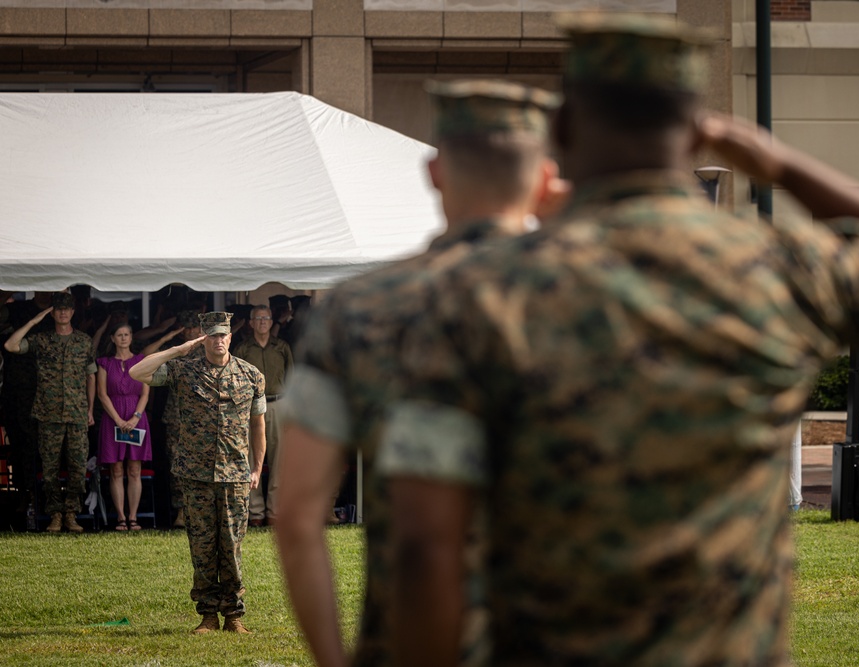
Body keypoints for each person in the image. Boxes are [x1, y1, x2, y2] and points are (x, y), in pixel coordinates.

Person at [374, 12, 859, 667]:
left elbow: (424, 546)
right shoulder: (783, 270)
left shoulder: (472, 291)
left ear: (564, 129)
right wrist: (778, 165)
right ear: (697, 134)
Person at [276, 79, 563, 667]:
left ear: (433, 173)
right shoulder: (600, 299)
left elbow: (297, 515)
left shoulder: (358, 308)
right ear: (543, 183)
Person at [130, 311, 265, 635]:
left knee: (231, 547)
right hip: (195, 475)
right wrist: (179, 349)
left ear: (231, 337)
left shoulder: (250, 375)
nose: (219, 341)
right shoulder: (183, 371)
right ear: (203, 338)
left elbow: (258, 425)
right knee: (202, 548)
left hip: (234, 475)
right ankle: (207, 615)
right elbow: (138, 371)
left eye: (223, 335)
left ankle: (233, 615)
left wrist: (257, 468)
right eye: (212, 335)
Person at [4, 291, 96, 533]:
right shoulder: (41, 339)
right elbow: (10, 345)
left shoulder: (84, 341)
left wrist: (90, 409)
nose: (63, 312)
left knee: (77, 468)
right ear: (52, 312)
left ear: (73, 312)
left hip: (76, 413)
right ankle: (55, 514)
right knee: (50, 469)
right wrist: (35, 320)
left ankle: (71, 514)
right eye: (58, 309)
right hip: (48, 413)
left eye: (67, 308)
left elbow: (91, 376)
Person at [233, 304, 293, 527]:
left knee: (279, 459)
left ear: (271, 321)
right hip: (250, 407)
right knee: (251, 459)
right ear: (251, 323)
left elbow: (292, 379)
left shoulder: (282, 347)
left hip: (278, 405)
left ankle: (275, 511)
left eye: (266, 318)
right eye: (258, 319)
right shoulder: (242, 349)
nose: (262, 322)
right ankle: (255, 511)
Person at [142, 309, 203, 528]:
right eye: (186, 327)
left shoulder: (208, 351)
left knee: (201, 465)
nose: (190, 331)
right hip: (176, 415)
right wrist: (167, 337)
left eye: (194, 326)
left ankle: (197, 511)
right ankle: (180, 510)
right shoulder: (173, 352)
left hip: (202, 417)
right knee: (177, 465)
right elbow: (145, 355)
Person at [0, 290, 52, 520]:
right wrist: (10, 284)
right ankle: (24, 496)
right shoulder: (18, 310)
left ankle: (49, 501)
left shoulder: (58, 312)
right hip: (18, 391)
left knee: (49, 450)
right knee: (21, 447)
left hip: (52, 395)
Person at [96, 322, 152, 531]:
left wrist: (136, 417)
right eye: (119, 335)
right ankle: (120, 517)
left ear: (131, 337)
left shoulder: (141, 361)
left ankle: (133, 516)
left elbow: (146, 393)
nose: (123, 338)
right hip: (113, 418)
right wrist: (118, 420)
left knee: (135, 468)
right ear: (112, 338)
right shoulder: (104, 363)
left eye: (127, 334)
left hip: (136, 417)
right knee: (116, 469)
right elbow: (102, 394)